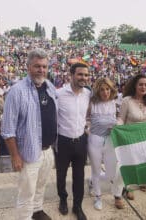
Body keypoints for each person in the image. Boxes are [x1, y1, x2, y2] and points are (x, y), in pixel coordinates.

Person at [1, 49, 57, 220]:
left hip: (48, 150)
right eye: (37, 66)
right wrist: (15, 156)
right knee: (27, 192)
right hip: (29, 152)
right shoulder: (17, 91)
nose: (41, 70)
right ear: (28, 67)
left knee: (41, 186)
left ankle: (37, 211)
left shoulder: (50, 87)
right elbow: (8, 129)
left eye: (44, 66)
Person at [55, 62, 90, 220]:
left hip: (81, 141)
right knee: (61, 175)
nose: (84, 78)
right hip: (63, 141)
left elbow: (88, 115)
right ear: (71, 75)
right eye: (80, 74)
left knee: (79, 175)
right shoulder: (59, 94)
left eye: (86, 75)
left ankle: (77, 205)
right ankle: (63, 199)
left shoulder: (88, 94)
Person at [117, 74, 146, 199]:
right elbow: (121, 118)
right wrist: (117, 126)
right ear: (135, 86)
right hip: (130, 139)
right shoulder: (127, 101)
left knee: (141, 164)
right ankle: (127, 188)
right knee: (129, 164)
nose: (144, 87)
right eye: (141, 84)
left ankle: (139, 184)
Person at [86, 77, 125, 210]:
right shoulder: (92, 103)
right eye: (102, 89)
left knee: (111, 173)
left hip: (110, 140)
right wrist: (87, 127)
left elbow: (120, 118)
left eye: (107, 89)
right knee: (96, 170)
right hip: (95, 139)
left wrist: (118, 124)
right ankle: (98, 196)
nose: (105, 92)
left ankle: (91, 181)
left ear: (111, 89)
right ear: (98, 91)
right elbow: (85, 119)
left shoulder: (115, 103)